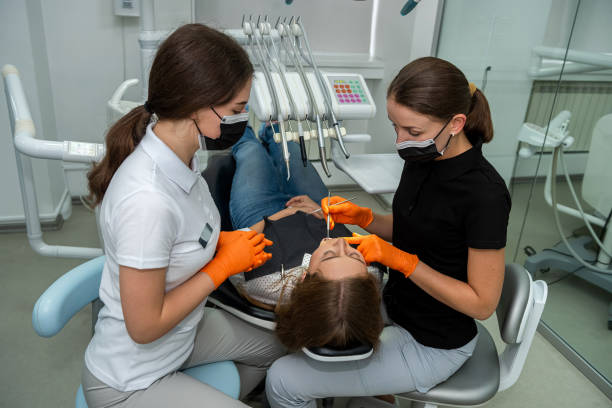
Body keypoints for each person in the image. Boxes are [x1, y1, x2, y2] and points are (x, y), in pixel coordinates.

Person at [265, 56, 511, 407]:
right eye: (395, 126)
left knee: (284, 380)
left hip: (433, 342)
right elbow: (420, 230)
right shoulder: (422, 158)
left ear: (456, 123)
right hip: (396, 303)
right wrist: (366, 217)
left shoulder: (485, 196)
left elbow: (482, 303)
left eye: (412, 132)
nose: (400, 141)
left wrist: (404, 263)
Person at [82, 24, 285, 408]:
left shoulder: (184, 159)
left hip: (182, 336)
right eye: (237, 110)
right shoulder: (147, 202)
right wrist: (223, 265)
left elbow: (185, 236)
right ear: (198, 104)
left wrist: (222, 241)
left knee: (279, 342)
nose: (242, 120)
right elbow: (143, 328)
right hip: (131, 380)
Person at [227, 124, 384, 351]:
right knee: (288, 144)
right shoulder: (372, 276)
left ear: (303, 279)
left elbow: (234, 250)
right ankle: (272, 124)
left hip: (262, 215)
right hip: (316, 209)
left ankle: (240, 114)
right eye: (354, 255)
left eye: (329, 255)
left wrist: (279, 216)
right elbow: (347, 235)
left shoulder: (267, 286)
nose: (340, 243)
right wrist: (319, 211)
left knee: (250, 151)